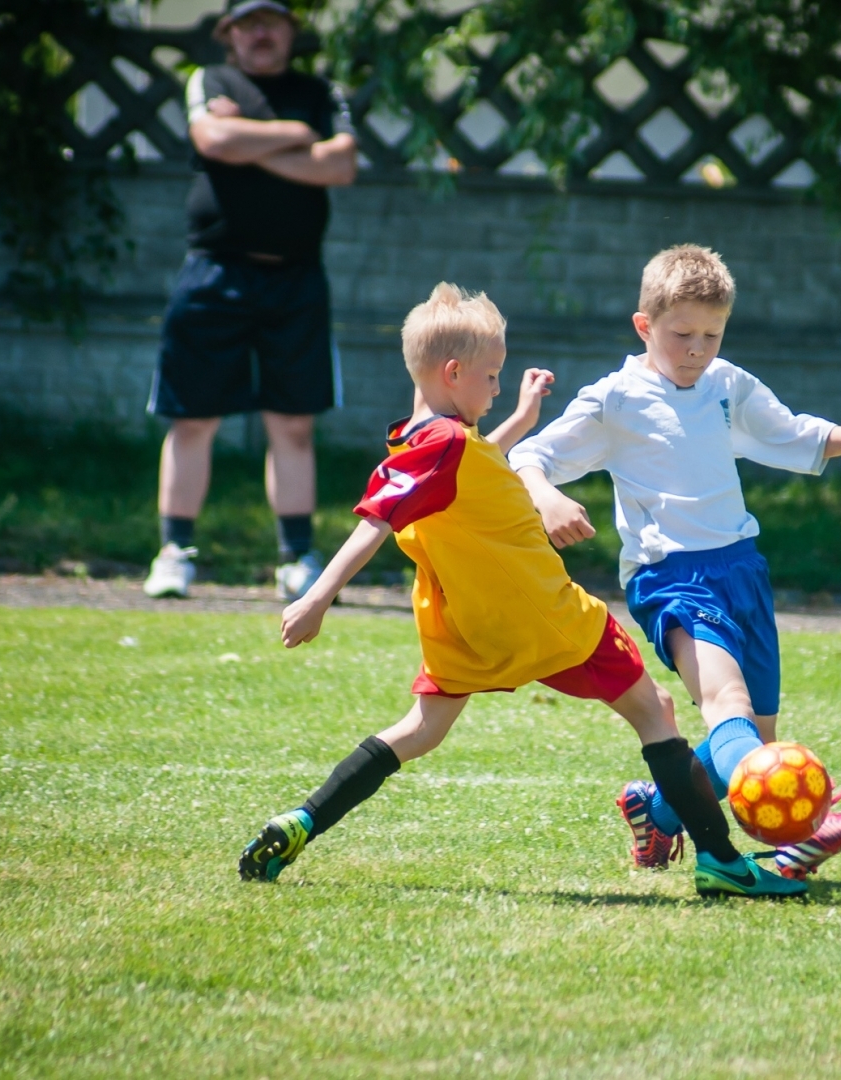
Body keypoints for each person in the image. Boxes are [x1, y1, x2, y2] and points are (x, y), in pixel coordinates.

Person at [237, 283, 806, 899]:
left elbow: (473, 466)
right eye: (491, 376)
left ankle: (300, 821)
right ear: (454, 373)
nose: (497, 386)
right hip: (548, 617)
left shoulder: (419, 440)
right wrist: (317, 597)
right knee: (655, 713)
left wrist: (521, 421)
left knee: (419, 731)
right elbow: (374, 520)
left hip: (465, 625)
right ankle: (721, 860)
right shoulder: (446, 445)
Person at [508, 245, 841, 879]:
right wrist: (547, 498)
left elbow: (791, 435)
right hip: (670, 577)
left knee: (750, 729)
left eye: (712, 334)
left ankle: (657, 810)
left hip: (741, 570)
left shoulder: (726, 384)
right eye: (682, 335)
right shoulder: (616, 399)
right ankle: (804, 831)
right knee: (726, 702)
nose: (698, 348)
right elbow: (527, 456)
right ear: (644, 327)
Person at [143, 0, 358, 603]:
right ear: (229, 35)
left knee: (292, 424)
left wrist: (249, 142)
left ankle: (296, 558)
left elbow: (340, 165)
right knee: (193, 418)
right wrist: (293, 136)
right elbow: (211, 138)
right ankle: (175, 552)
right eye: (247, 23)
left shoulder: (317, 91)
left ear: (290, 30)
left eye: (272, 21)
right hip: (213, 274)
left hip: (296, 280)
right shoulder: (210, 82)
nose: (260, 33)